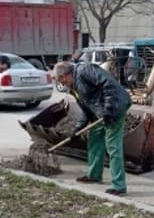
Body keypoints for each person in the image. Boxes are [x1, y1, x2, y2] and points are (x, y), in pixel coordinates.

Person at [55, 61, 132, 196]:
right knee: (95, 138)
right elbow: (87, 110)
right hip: (102, 111)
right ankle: (94, 175)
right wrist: (76, 130)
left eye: (60, 80)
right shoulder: (74, 88)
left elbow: (108, 84)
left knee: (112, 146)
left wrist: (109, 109)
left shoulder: (85, 70)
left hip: (116, 106)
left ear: (65, 75)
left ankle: (119, 185)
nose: (62, 84)